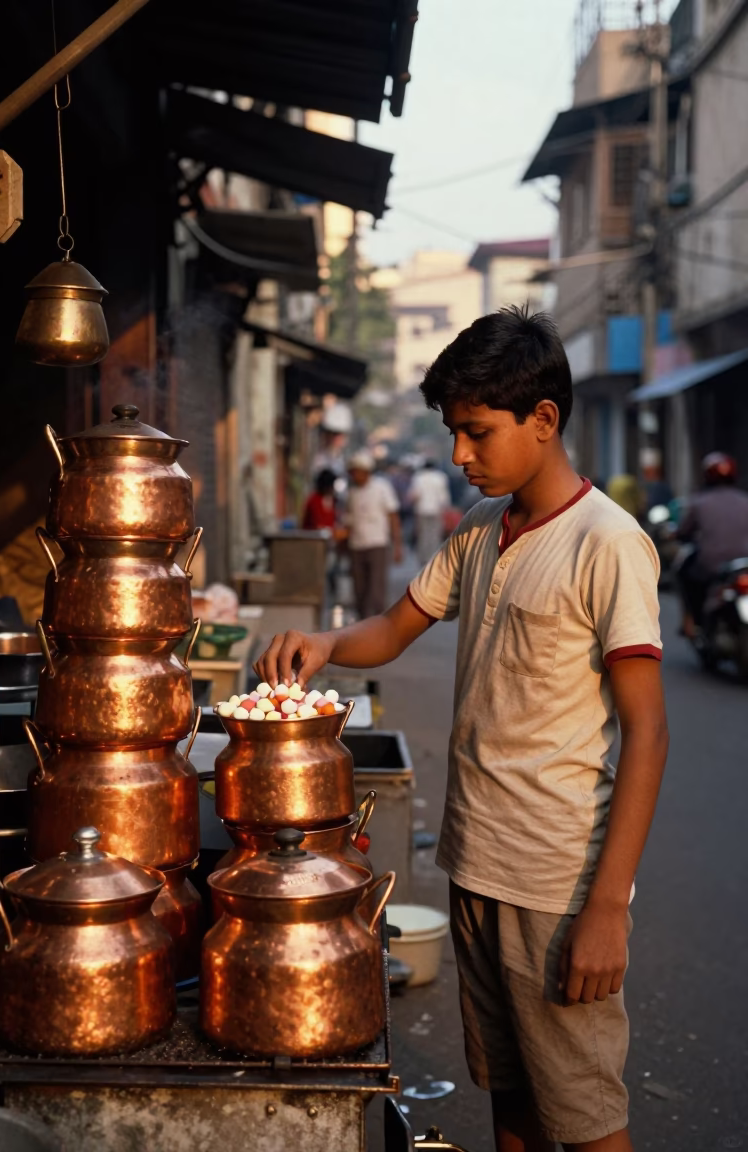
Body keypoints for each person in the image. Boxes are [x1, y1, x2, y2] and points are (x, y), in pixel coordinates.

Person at [256, 306, 669, 1152]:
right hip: (476, 862)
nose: (459, 455)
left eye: (477, 432)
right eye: (453, 433)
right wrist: (328, 643)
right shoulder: (483, 529)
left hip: (554, 883)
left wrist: (609, 907)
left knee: (587, 1120)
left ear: (543, 420)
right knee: (511, 1100)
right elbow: (397, 627)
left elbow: (649, 732)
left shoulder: (606, 543)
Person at [676, 451, 748, 637]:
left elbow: (684, 531)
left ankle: (693, 621)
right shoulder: (744, 500)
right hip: (744, 563)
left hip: (711, 565)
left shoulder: (698, 502)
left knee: (685, 575)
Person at [345, 451, 403, 620]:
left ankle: (379, 625)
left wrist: (397, 545)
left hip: (377, 544)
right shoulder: (351, 493)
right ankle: (361, 624)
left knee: (377, 590)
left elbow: (393, 517)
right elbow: (348, 520)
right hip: (356, 545)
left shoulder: (381, 488)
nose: (355, 476)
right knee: (360, 590)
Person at [408, 460, 452, 564]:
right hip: (436, 509)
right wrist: (446, 508)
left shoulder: (418, 477)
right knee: (435, 534)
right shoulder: (440, 477)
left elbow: (414, 495)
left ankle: (423, 557)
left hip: (421, 510)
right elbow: (443, 496)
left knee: (423, 534)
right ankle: (433, 556)